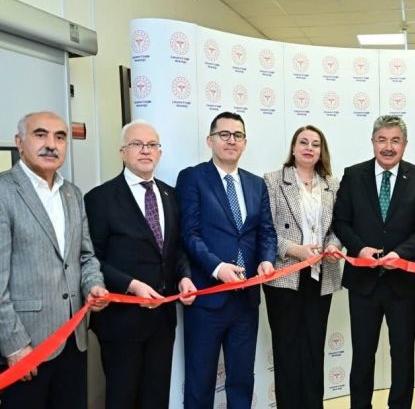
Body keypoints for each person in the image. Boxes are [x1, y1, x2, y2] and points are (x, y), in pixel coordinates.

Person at [84, 120, 197, 409]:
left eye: (152, 145)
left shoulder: (171, 195)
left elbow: (176, 248)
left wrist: (184, 276)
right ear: (122, 152)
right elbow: (90, 258)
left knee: (156, 399)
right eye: (137, 144)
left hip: (162, 320)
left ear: (160, 152)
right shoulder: (100, 198)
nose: (145, 150)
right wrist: (131, 285)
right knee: (122, 399)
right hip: (120, 321)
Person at [0, 111, 108, 408]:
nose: (51, 144)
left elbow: (86, 255)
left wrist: (93, 285)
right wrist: (14, 345)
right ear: (19, 142)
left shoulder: (72, 193)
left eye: (60, 137)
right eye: (40, 135)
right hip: (27, 346)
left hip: (74, 339)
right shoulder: (4, 192)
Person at [333, 115, 415, 409]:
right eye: (382, 140)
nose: (388, 147)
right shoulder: (353, 175)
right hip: (363, 283)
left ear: (405, 144)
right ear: (372, 142)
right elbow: (341, 221)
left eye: (395, 140)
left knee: (402, 355)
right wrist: (359, 249)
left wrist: (402, 253)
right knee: (362, 354)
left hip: (404, 284)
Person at [175, 111, 277, 409]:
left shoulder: (256, 184)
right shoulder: (193, 178)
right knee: (200, 381)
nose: (231, 140)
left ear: (245, 142)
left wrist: (267, 259)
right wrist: (217, 268)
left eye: (238, 135)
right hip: (207, 298)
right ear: (210, 140)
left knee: (242, 381)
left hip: (246, 300)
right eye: (224, 134)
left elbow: (266, 232)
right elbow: (189, 234)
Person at [262, 125, 343, 409]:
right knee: (286, 350)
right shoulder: (273, 180)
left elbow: (339, 227)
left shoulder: (332, 184)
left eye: (315, 144)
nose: (309, 148)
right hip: (285, 276)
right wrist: (295, 250)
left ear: (322, 151)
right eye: (303, 142)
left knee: (313, 349)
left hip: (321, 276)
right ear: (294, 148)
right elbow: (266, 229)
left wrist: (333, 246)